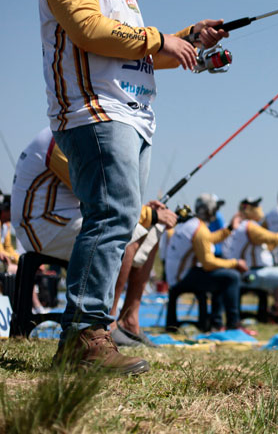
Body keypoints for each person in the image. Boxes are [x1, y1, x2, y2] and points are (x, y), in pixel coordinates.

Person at [39, 0, 228, 373]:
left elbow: (134, 49)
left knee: (119, 220)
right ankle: (83, 337)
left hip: (131, 115)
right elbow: (89, 31)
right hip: (93, 112)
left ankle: (87, 336)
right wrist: (160, 38)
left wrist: (188, 40)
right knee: (112, 217)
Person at [10, 127, 177, 345]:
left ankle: (130, 320)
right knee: (123, 231)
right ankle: (109, 322)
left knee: (152, 229)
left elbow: (104, 197)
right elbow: (98, 193)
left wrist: (147, 214)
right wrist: (151, 214)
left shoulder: (77, 134)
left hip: (62, 222)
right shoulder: (62, 139)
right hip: (42, 228)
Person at [163, 193, 251, 333]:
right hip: (182, 278)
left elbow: (208, 239)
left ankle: (216, 323)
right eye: (215, 210)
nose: (216, 213)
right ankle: (233, 324)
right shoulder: (200, 229)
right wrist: (235, 263)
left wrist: (230, 228)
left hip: (175, 276)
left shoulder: (191, 224)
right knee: (231, 277)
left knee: (220, 277)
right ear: (209, 210)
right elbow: (208, 263)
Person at [226, 197, 278, 326]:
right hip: (249, 274)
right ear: (247, 209)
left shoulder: (248, 226)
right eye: (255, 206)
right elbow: (275, 239)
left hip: (252, 271)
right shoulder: (250, 227)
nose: (259, 208)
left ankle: (275, 311)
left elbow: (268, 244)